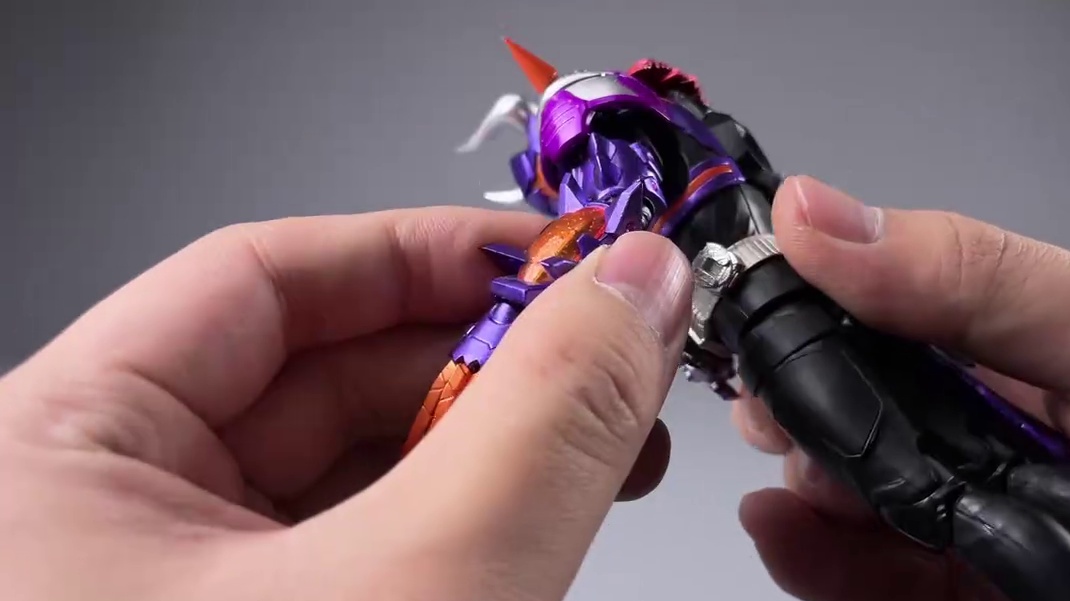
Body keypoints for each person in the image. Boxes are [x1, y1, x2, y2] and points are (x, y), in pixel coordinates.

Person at [0, 175, 1065, 600]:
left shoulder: (663, 178)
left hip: (801, 330)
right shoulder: (686, 165)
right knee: (981, 474)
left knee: (951, 492)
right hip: (793, 330)